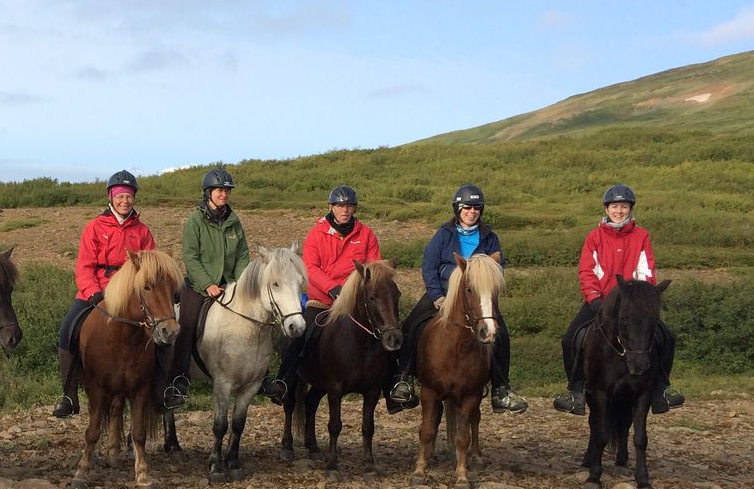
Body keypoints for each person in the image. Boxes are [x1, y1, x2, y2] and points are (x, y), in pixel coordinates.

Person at [390, 184, 528, 414]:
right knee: (412, 325)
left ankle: (501, 388)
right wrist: (437, 296)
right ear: (458, 209)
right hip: (443, 293)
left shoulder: (490, 238)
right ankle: (404, 379)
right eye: (467, 207)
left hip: (476, 296)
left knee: (501, 335)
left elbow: (498, 268)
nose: (472, 212)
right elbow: (429, 266)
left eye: (476, 208)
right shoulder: (444, 234)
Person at [553, 184, 683, 415]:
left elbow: (646, 270)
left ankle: (662, 388)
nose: (619, 211)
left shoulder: (641, 236)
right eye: (615, 206)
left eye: (624, 206)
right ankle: (575, 391)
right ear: (607, 209)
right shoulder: (594, 237)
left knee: (667, 337)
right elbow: (587, 271)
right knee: (570, 339)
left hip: (634, 305)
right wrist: (593, 299)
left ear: (630, 209)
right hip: (601, 301)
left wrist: (640, 300)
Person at [269, 185, 388, 406]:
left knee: (387, 330)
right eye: (340, 205)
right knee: (300, 335)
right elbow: (311, 267)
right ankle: (283, 382)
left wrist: (353, 291)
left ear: (354, 209)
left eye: (349, 206)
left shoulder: (366, 234)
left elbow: (375, 268)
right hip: (322, 300)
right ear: (331, 207)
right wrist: (333, 288)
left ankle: (392, 387)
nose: (345, 210)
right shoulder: (317, 234)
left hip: (355, 303)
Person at [52, 170, 156, 418]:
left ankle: (160, 387)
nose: (125, 201)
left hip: (132, 296)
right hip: (97, 291)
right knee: (67, 331)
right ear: (111, 197)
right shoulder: (95, 228)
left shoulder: (142, 231)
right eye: (120, 196)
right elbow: (84, 266)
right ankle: (69, 394)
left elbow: (152, 266)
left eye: (129, 196)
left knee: (162, 331)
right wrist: (93, 293)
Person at [164, 166, 251, 406]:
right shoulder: (195, 221)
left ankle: (258, 373)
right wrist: (208, 284)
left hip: (230, 285)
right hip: (198, 287)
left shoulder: (234, 222)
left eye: (226, 190)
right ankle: (179, 379)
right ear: (208, 192)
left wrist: (240, 283)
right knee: (187, 325)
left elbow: (243, 255)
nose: (223, 194)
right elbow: (190, 257)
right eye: (219, 190)